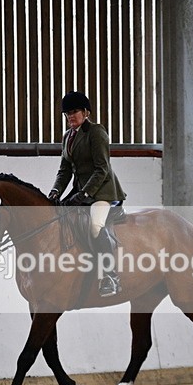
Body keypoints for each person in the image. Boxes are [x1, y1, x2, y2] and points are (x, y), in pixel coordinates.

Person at [48, 91, 127, 298]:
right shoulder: (68, 137)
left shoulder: (96, 132)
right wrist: (56, 191)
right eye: (67, 114)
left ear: (86, 112)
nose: (70, 117)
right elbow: (64, 170)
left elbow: (102, 169)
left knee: (94, 226)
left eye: (74, 112)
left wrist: (84, 193)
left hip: (103, 193)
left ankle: (111, 276)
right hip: (81, 192)